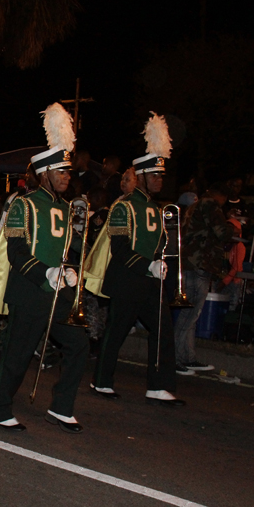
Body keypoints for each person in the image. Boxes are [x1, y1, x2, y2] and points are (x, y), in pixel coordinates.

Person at [0, 103, 88, 433]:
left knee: (78, 345)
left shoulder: (68, 208)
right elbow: (16, 252)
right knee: (17, 355)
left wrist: (71, 269)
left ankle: (61, 407)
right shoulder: (24, 204)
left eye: (68, 172)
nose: (67, 176)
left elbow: (71, 248)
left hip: (58, 295)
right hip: (29, 292)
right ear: (44, 173)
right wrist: (45, 272)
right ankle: (0, 409)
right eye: (61, 172)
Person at [86, 113, 185, 406]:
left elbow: (157, 242)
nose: (159, 180)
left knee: (163, 331)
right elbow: (120, 249)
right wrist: (147, 265)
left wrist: (160, 261)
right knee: (116, 332)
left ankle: (159, 386)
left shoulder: (156, 208)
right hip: (127, 280)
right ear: (140, 178)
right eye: (154, 176)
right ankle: (101, 380)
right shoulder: (123, 208)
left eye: (160, 176)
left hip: (150, 282)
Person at [174, 183, 236, 374]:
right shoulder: (210, 205)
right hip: (198, 263)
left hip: (192, 262)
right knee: (189, 314)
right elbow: (221, 232)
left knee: (191, 314)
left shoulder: (196, 205)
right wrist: (232, 227)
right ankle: (175, 358)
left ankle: (187, 357)